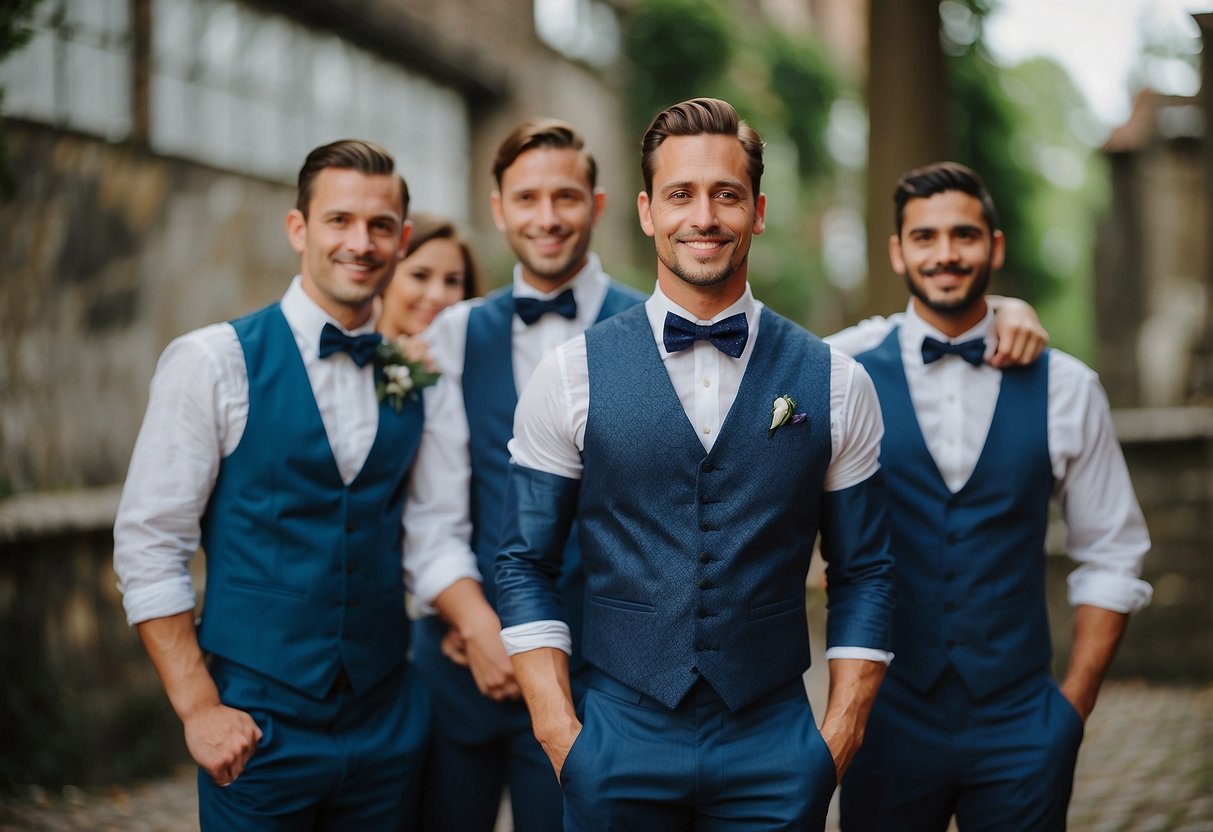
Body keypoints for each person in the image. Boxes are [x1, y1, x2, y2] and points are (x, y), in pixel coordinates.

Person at [494, 98, 896, 831]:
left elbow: (864, 569)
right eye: (680, 194)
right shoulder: (569, 374)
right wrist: (561, 736)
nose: (703, 215)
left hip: (774, 741)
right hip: (617, 736)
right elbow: (523, 561)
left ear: (758, 210)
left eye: (725, 194)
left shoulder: (835, 381)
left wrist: (836, 738)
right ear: (647, 212)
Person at [113, 139, 436, 830]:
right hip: (258, 723)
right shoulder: (212, 361)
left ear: (402, 238)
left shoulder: (409, 374)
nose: (361, 241)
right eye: (339, 220)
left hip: (386, 720)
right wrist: (199, 707)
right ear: (299, 229)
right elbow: (149, 543)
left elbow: (422, 529)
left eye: (380, 225)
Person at [834, 161, 1152, 831]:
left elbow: (1112, 551)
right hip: (883, 718)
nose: (944, 254)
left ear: (994, 247)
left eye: (963, 236)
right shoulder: (841, 370)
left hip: (1019, 726)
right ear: (897, 252)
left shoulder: (1067, 386)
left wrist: (1071, 710)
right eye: (923, 238)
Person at [402, 118, 645, 832]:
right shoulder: (451, 334)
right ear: (498, 207)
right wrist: (475, 623)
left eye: (565, 197)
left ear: (596, 206)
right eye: (527, 198)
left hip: (602, 680)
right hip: (458, 669)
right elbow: (429, 507)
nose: (547, 218)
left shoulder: (657, 329)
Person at [378, 212, 482, 340]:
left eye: (452, 281)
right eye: (420, 276)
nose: (437, 295)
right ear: (385, 277)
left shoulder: (482, 356)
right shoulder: (350, 354)